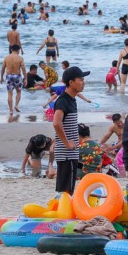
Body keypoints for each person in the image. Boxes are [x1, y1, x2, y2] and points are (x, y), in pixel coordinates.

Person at [52, 65, 92, 194]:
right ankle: (63, 214)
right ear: (71, 82)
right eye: (80, 79)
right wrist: (67, 143)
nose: (83, 82)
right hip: (66, 154)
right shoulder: (63, 100)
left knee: (68, 189)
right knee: (66, 191)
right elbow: (56, 123)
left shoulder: (72, 100)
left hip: (71, 153)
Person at [0, 44, 26, 115]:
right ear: (18, 50)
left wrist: (1, 77)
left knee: (10, 94)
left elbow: (3, 68)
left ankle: (11, 110)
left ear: (11, 50)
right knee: (19, 92)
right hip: (17, 76)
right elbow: (23, 69)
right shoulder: (20, 58)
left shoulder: (6, 58)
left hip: (9, 76)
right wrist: (25, 78)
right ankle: (16, 105)